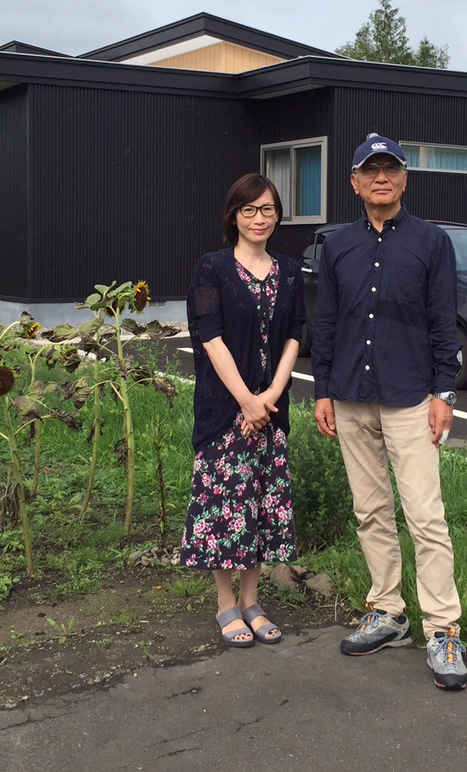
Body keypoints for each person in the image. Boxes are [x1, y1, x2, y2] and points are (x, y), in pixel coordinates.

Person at [311, 134, 467, 691]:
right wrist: (322, 390)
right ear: (353, 182)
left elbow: (443, 323)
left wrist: (443, 393)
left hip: (411, 398)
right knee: (370, 510)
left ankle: (444, 628)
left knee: (426, 517)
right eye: (369, 170)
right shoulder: (337, 246)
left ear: (405, 179)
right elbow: (325, 321)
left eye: (391, 169)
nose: (381, 177)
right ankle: (388, 610)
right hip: (351, 396)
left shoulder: (431, 242)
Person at [180, 172, 305, 649]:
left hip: (269, 411)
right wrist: (246, 401)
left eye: (268, 209)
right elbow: (209, 336)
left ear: (278, 215)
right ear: (233, 215)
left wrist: (271, 394)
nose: (259, 218)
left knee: (258, 507)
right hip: (225, 411)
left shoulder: (289, 271)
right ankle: (225, 604)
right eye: (249, 210)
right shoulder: (212, 267)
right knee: (222, 510)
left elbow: (296, 333)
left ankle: (252, 601)